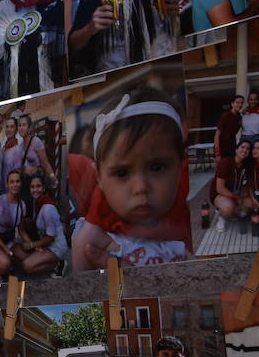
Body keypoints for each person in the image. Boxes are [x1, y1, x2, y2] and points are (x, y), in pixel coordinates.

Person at [71, 87, 191, 271]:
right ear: (99, 178)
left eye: (156, 168)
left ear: (179, 167)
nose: (141, 187)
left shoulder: (189, 219)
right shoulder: (94, 239)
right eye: (122, 173)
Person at [0, 170, 28, 278]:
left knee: (26, 258)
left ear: (21, 183)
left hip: (9, 241)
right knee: (5, 264)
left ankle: (4, 260)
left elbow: (21, 230)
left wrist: (32, 244)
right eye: (12, 182)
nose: (15, 184)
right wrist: (4, 248)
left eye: (17, 181)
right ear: (7, 184)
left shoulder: (22, 205)